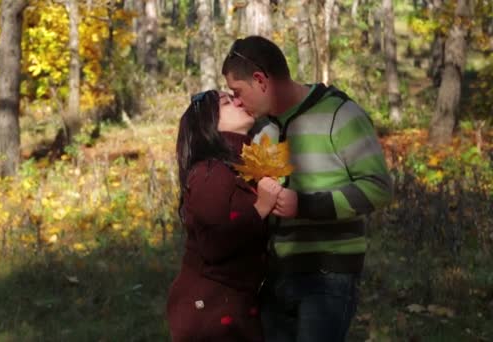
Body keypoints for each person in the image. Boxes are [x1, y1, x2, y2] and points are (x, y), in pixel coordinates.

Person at [222, 36, 393, 341]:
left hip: (328, 276)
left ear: (260, 80)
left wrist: (304, 205)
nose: (236, 102)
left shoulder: (340, 115)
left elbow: (378, 188)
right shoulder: (262, 128)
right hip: (276, 277)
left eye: (237, 92)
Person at [167, 90, 284, 341]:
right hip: (208, 313)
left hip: (235, 308)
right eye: (227, 101)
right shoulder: (210, 172)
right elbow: (213, 243)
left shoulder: (236, 168)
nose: (239, 101)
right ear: (209, 122)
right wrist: (261, 207)